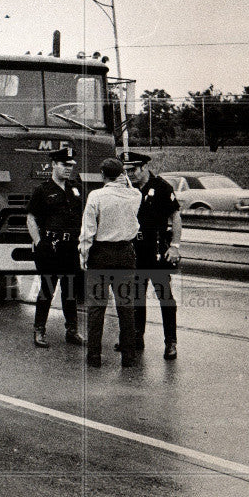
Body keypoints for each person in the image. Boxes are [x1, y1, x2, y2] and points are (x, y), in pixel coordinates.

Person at [79, 157, 141, 368]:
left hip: (101, 254)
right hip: (125, 253)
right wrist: (125, 179)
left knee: (96, 307)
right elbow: (132, 188)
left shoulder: (96, 196)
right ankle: (129, 356)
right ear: (122, 175)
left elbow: (88, 230)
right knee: (126, 307)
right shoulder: (134, 195)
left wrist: (84, 255)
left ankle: (94, 356)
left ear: (102, 175)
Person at [120, 151, 182, 359]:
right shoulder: (128, 189)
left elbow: (175, 215)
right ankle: (137, 336)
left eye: (133, 170)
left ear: (144, 167)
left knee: (166, 299)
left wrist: (174, 246)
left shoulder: (162, 187)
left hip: (157, 251)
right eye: (126, 171)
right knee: (136, 296)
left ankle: (170, 342)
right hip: (135, 252)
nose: (130, 174)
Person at [26, 147, 86, 348]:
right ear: (53, 164)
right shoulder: (42, 190)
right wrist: (38, 242)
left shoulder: (76, 189)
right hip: (50, 247)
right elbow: (31, 217)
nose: (68, 169)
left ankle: (72, 330)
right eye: (64, 164)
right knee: (47, 289)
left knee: (70, 291)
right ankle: (39, 330)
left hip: (70, 247)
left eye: (71, 165)